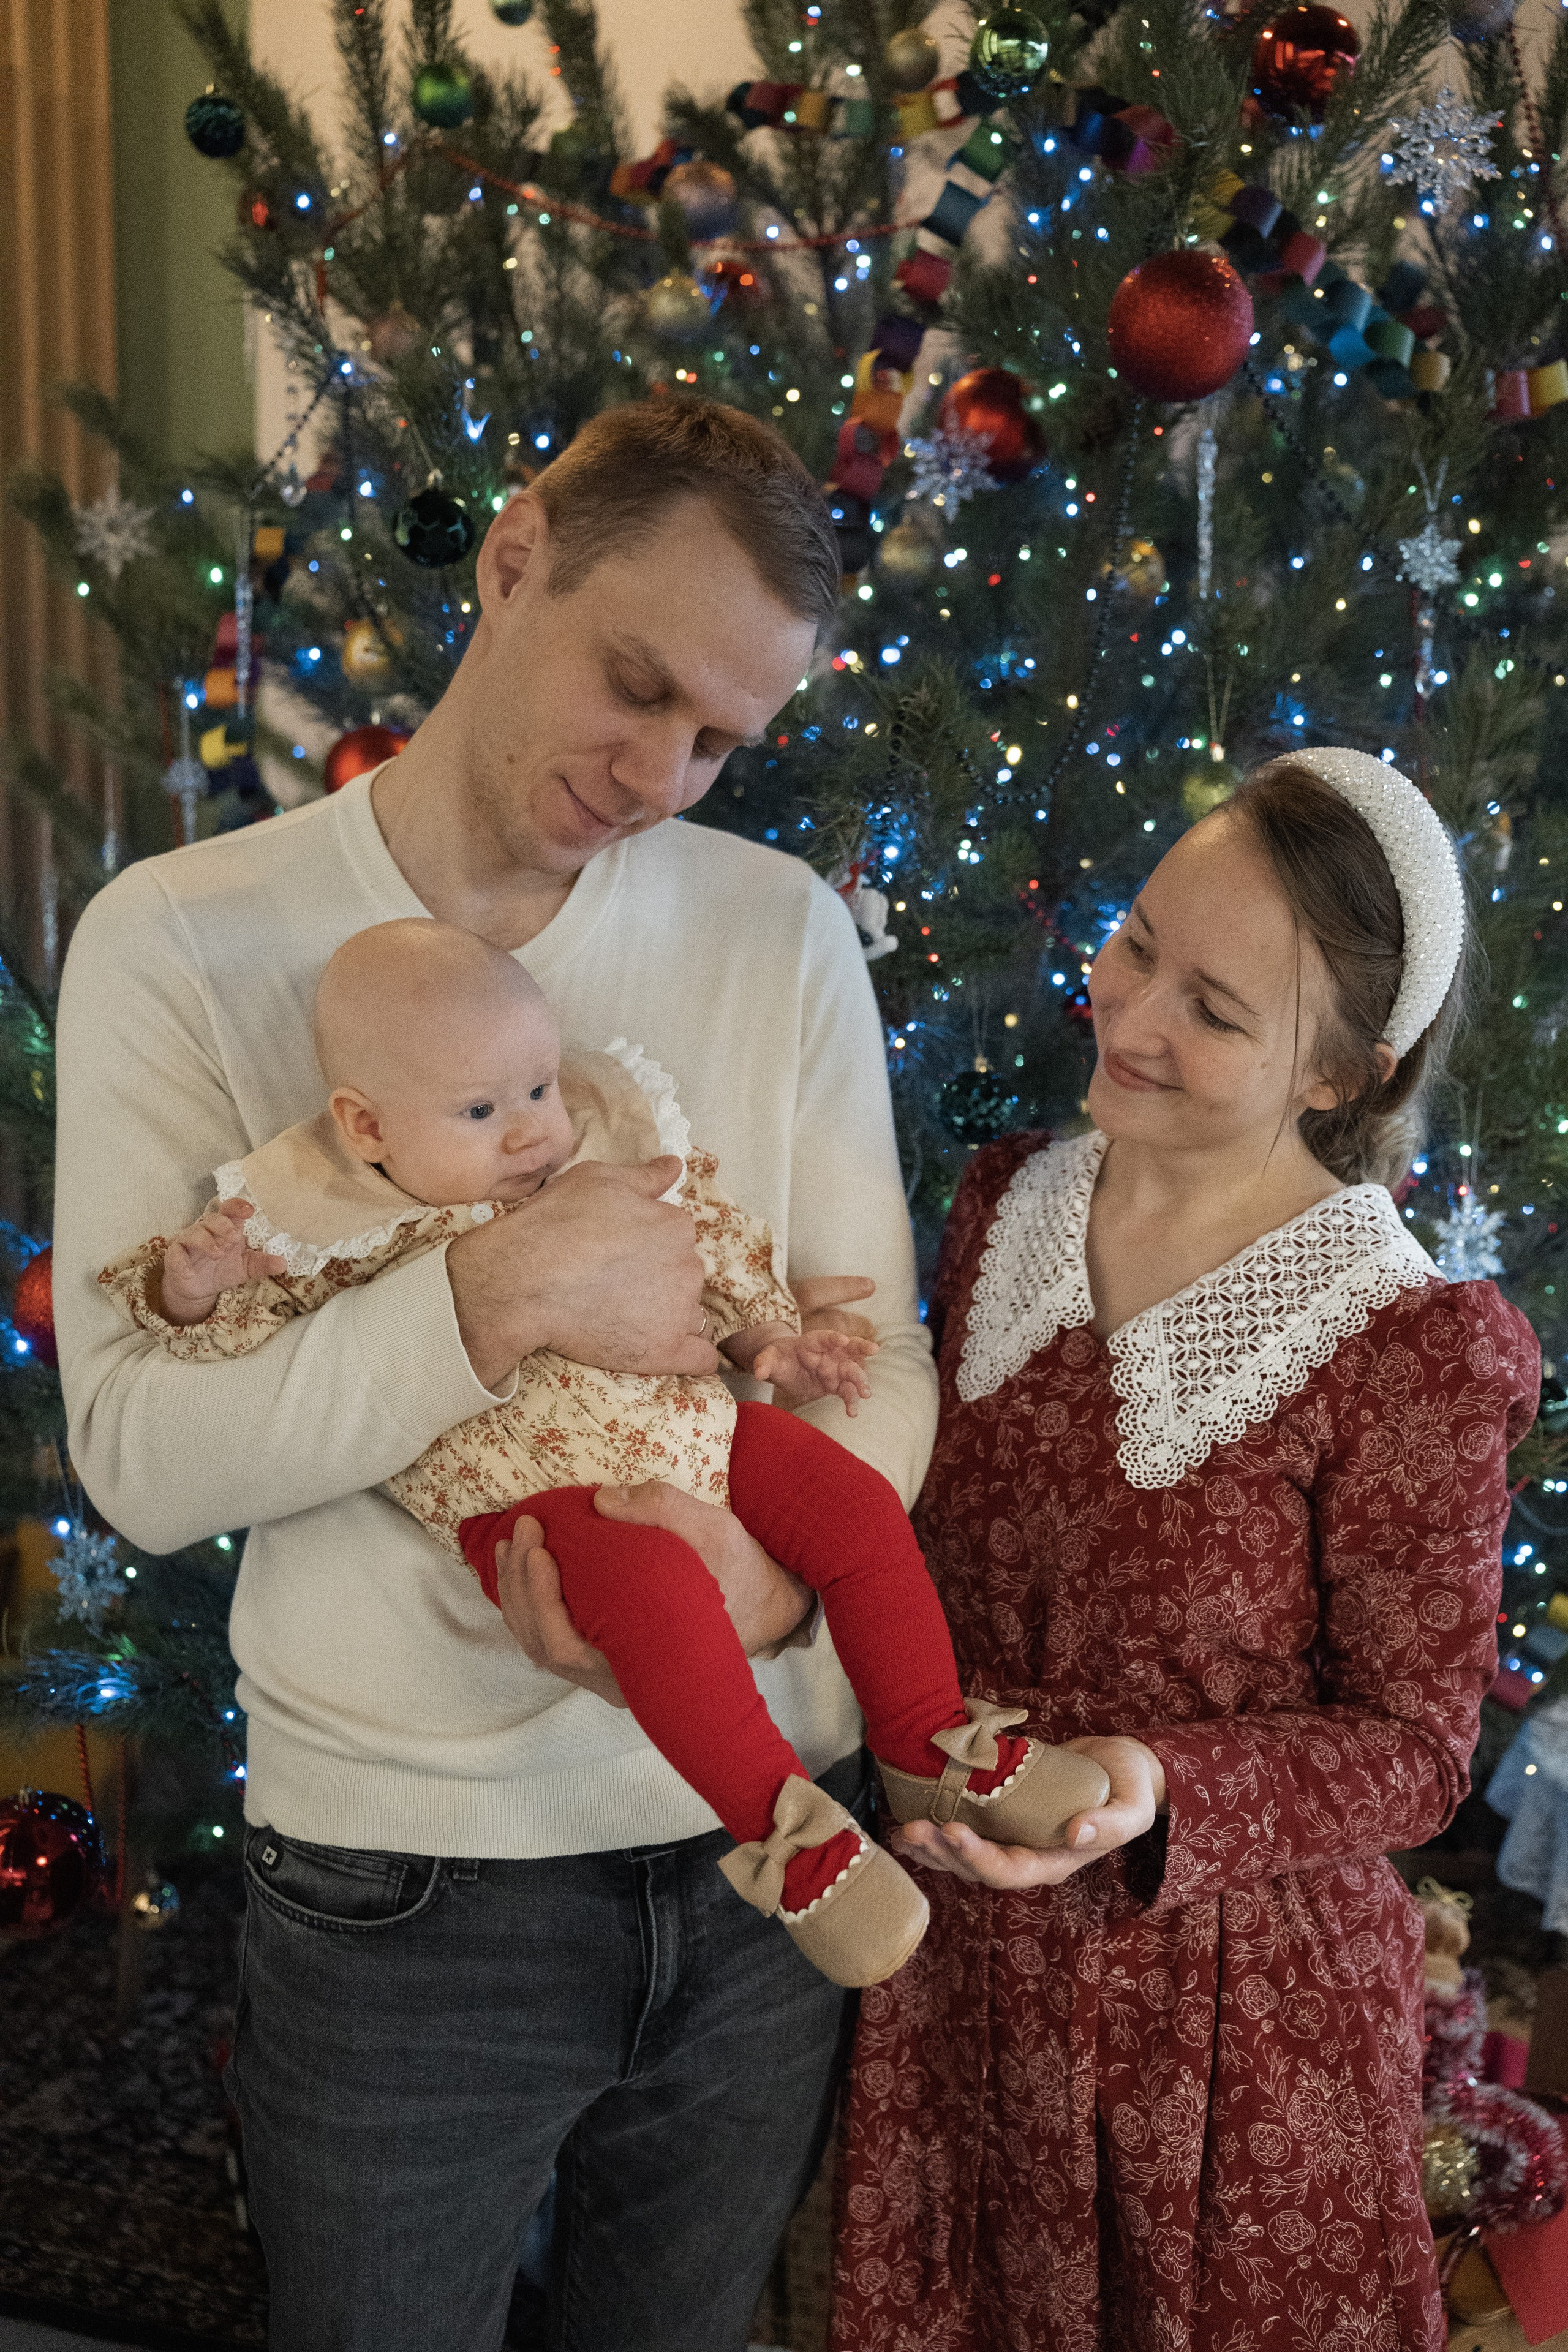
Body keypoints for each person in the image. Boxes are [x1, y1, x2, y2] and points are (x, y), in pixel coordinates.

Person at [53, 401, 940, 2352]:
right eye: (636, 684)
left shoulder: (776, 931)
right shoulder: (186, 945)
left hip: (769, 1865)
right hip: (406, 1895)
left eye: (720, 739)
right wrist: (491, 1303)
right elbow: (139, 1448)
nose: (657, 774)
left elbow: (879, 1349)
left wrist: (767, 1579)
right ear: (516, 553)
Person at [829, 748, 1541, 2352]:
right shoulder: (1003, 1201)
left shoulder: (1406, 1343)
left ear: (1346, 1075)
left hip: (1227, 2036)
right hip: (961, 1980)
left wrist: (1155, 1783)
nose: (1133, 1018)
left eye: (1215, 1012)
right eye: (1138, 942)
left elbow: (1420, 1752)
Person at [100, 922, 1108, 1987]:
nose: (532, 1129)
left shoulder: (596, 1162)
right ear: (366, 1126)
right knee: (658, 1587)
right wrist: (195, 1286)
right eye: (482, 1111)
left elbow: (703, 1260)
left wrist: (772, 1340)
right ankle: (792, 1839)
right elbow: (232, 1351)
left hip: (696, 1427)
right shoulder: (336, 1229)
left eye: (539, 1088)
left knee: (852, 1505)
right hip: (537, 1500)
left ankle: (928, 1742)